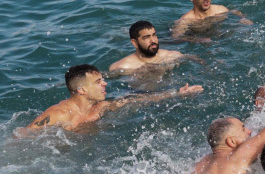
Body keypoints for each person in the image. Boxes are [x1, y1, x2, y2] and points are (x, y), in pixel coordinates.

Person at [16, 64, 202, 135]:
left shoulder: (101, 107)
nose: (105, 84)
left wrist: (177, 93)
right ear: (81, 89)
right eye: (98, 82)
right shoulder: (59, 114)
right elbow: (23, 134)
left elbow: (136, 100)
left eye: (103, 80)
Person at [109, 21, 186, 73]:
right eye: (146, 37)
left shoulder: (172, 56)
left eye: (154, 35)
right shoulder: (123, 67)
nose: (153, 40)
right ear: (134, 43)